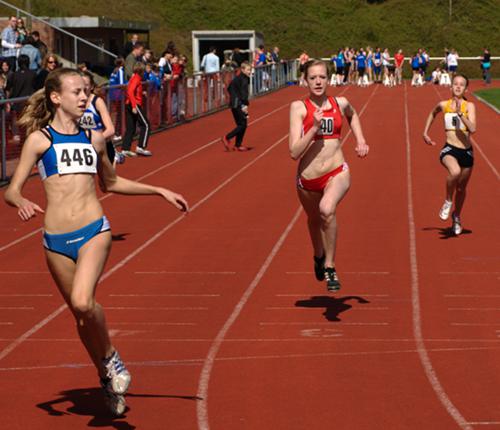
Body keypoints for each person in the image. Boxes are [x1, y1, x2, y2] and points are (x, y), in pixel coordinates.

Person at [3, 67, 188, 416]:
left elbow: (112, 183)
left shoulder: (95, 139)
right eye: (76, 92)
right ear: (56, 98)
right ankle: (106, 375)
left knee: (84, 302)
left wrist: (159, 190)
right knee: (81, 315)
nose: (85, 97)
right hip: (55, 240)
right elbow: (11, 190)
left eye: (86, 91)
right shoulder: (40, 140)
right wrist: (21, 201)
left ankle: (111, 358)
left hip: (93, 230)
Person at [289, 60, 369, 291]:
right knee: (314, 221)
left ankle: (331, 266)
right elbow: (294, 152)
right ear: (305, 80)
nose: (317, 81)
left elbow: (353, 116)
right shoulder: (298, 108)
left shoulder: (340, 102)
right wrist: (313, 127)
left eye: (322, 77)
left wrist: (360, 140)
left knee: (327, 209)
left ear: (329, 78)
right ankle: (318, 255)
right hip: (307, 180)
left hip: (336, 171)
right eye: (312, 77)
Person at [423, 74, 476, 236]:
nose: (458, 87)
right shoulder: (443, 105)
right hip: (449, 149)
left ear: (466, 89)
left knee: (461, 188)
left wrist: (460, 114)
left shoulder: (469, 106)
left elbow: (473, 129)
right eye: (455, 84)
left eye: (462, 85)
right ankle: (447, 200)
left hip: (466, 152)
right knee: (454, 172)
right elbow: (432, 113)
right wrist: (425, 132)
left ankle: (457, 216)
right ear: (451, 87)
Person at [79, 71, 124, 167]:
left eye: (86, 85)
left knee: (106, 181)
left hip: (104, 147)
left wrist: (96, 140)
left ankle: (115, 155)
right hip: (84, 148)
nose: (83, 88)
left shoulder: (97, 102)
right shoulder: (75, 102)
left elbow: (111, 130)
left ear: (91, 86)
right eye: (80, 84)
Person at [121, 62, 152, 157]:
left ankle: (125, 148)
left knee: (131, 127)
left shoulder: (134, 78)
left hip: (129, 103)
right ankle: (141, 147)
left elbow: (132, 90)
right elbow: (130, 91)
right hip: (134, 104)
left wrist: (141, 93)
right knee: (146, 124)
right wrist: (134, 106)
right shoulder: (136, 78)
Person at [222, 61, 251, 152]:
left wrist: (234, 97)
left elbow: (229, 88)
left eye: (250, 69)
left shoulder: (238, 78)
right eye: (248, 70)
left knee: (242, 124)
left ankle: (238, 145)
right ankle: (227, 137)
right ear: (242, 69)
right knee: (242, 124)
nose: (250, 71)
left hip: (234, 103)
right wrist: (244, 104)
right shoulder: (244, 79)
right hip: (239, 104)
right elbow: (243, 93)